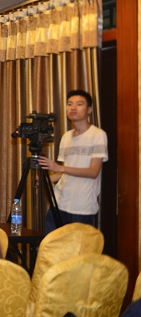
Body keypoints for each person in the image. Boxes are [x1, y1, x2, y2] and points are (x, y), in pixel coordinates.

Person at [38, 89, 108, 233]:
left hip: (82, 208)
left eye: (79, 104)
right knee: (50, 244)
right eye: (70, 104)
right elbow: (64, 172)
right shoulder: (66, 137)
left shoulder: (97, 135)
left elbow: (93, 171)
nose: (73, 108)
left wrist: (61, 168)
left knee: (78, 247)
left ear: (89, 110)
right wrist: (46, 179)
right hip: (59, 203)